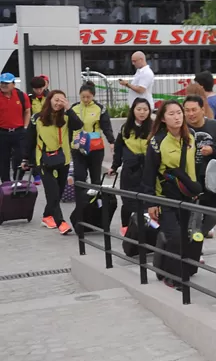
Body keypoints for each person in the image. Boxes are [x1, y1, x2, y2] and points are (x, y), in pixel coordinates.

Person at [143, 100, 199, 290]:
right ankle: (174, 277)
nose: (177, 117)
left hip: (187, 196)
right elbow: (149, 173)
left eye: (179, 113)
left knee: (184, 236)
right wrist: (151, 202)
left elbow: (193, 167)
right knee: (174, 237)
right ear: (163, 119)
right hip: (164, 197)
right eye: (171, 114)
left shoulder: (190, 136)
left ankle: (169, 269)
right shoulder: (157, 142)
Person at [21, 90, 83, 235]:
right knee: (52, 192)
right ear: (49, 100)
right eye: (56, 100)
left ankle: (46, 216)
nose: (58, 103)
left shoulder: (67, 117)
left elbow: (78, 125)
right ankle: (60, 222)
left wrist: (69, 108)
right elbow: (29, 140)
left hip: (64, 159)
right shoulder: (37, 118)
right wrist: (25, 159)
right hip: (43, 160)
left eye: (62, 100)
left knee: (59, 191)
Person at [70, 81, 116, 234]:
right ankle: (81, 207)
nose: (85, 100)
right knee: (80, 176)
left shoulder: (100, 109)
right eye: (83, 97)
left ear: (93, 96)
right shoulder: (74, 108)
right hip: (78, 147)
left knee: (96, 179)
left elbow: (106, 126)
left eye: (88, 97)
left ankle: (97, 208)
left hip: (95, 148)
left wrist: (111, 141)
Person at [108, 98, 152, 236]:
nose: (142, 112)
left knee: (146, 201)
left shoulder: (154, 127)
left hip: (147, 170)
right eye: (139, 109)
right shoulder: (125, 128)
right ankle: (125, 226)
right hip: (130, 169)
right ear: (133, 110)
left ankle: (145, 228)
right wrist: (114, 166)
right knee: (127, 200)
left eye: (145, 109)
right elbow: (118, 149)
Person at [183, 94, 216, 238]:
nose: (190, 114)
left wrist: (213, 150)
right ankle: (194, 246)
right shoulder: (181, 128)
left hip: (210, 179)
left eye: (194, 110)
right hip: (189, 179)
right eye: (187, 110)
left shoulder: (214, 126)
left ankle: (202, 232)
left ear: (202, 109)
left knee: (211, 217)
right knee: (191, 217)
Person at [0, 72, 30, 183]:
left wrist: (25, 127)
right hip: (2, 132)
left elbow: (27, 111)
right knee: (3, 159)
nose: (3, 85)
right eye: (2, 83)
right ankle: (5, 183)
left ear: (13, 84)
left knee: (19, 158)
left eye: (6, 83)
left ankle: (18, 180)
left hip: (19, 132)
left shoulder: (22, 96)